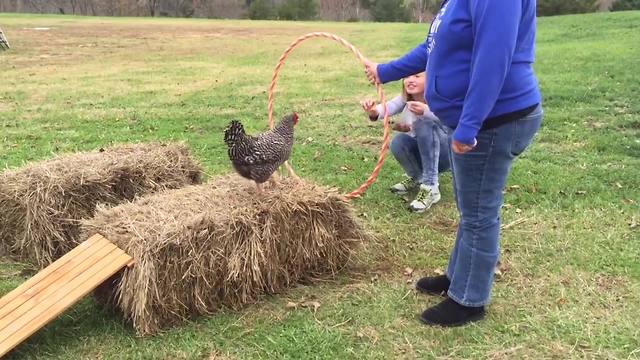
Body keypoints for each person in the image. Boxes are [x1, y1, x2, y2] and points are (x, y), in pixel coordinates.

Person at [364, 0, 543, 327]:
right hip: (480, 120)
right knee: (471, 207)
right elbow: (435, 47)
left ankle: (469, 300)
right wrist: (385, 71)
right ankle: (458, 277)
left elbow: (494, 58)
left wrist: (470, 123)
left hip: (496, 120)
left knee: (479, 212)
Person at [360, 72, 450, 212]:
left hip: (445, 155)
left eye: (417, 76)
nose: (410, 80)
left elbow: (448, 120)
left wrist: (425, 112)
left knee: (425, 125)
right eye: (407, 77)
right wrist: (373, 111)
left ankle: (431, 186)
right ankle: (417, 177)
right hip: (424, 153)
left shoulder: (439, 99)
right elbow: (388, 107)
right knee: (398, 141)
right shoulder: (406, 99)